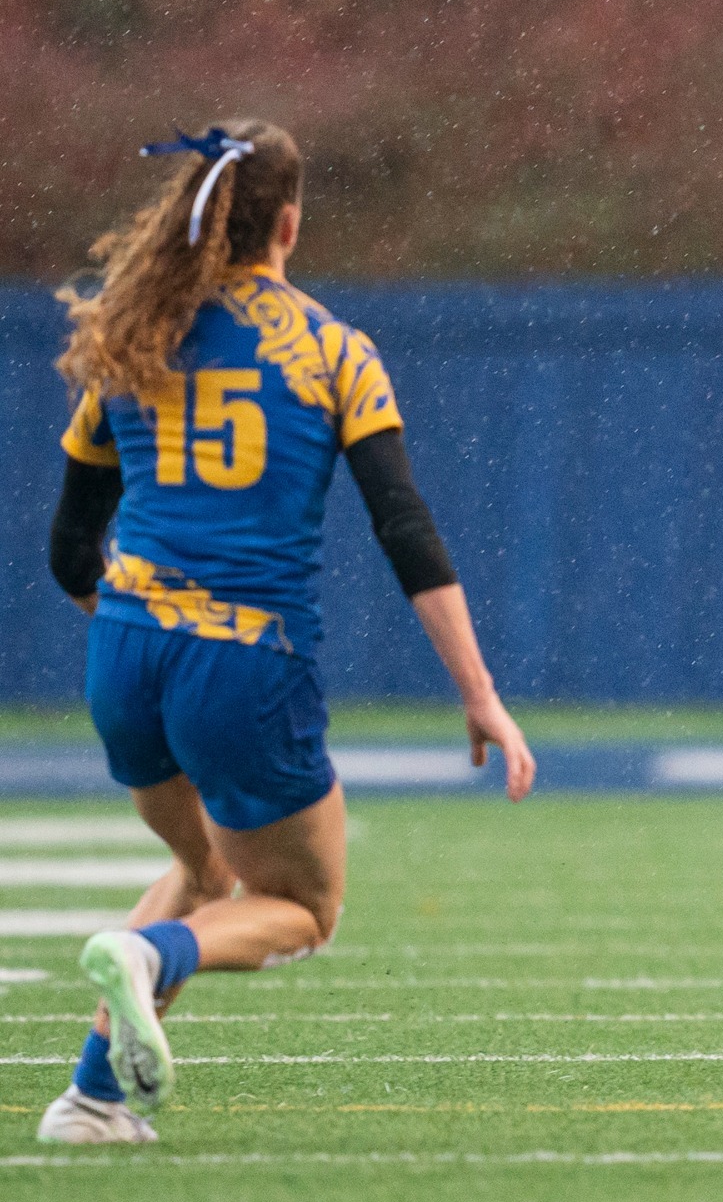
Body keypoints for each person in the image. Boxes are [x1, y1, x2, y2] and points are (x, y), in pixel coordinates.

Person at [37, 121, 537, 1145]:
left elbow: (66, 551)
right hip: (242, 657)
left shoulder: (132, 338)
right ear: (291, 225)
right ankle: (152, 960)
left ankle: (90, 1098)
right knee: (302, 905)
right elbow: (405, 529)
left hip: (124, 652)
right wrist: (479, 690)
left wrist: (140, 627)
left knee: (207, 869)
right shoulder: (330, 347)